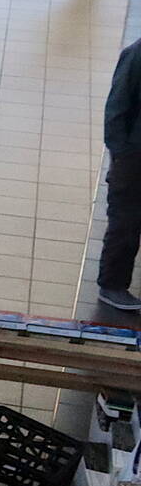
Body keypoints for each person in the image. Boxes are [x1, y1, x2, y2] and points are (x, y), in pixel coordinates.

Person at [104, 30, 141, 310]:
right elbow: (116, 108)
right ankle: (112, 285)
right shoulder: (136, 55)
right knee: (125, 222)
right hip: (133, 156)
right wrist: (122, 155)